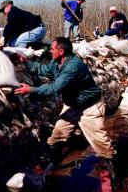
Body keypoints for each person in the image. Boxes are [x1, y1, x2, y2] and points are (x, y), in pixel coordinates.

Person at [15, 37, 114, 168]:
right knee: (58, 132)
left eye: (52, 48)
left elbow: (54, 88)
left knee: (99, 140)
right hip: (73, 104)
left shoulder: (73, 66)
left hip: (90, 107)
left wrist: (31, 89)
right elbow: (42, 69)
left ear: (61, 51)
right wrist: (26, 62)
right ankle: (52, 160)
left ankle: (111, 166)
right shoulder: (56, 63)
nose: (50, 51)